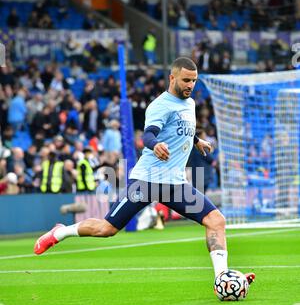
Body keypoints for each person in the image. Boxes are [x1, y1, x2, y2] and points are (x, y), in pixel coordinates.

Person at [34, 57, 254, 286]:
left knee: (216, 220)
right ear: (172, 78)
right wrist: (155, 144)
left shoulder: (190, 104)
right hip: (147, 181)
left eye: (194, 81)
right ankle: (61, 232)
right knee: (107, 229)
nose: (190, 85)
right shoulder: (160, 105)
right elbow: (148, 134)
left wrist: (197, 140)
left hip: (175, 185)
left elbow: (179, 128)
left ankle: (222, 278)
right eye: (186, 80)